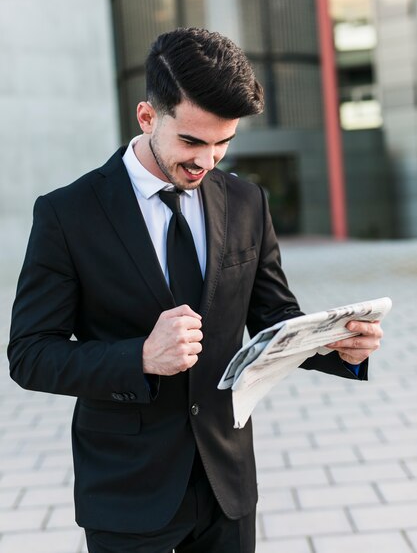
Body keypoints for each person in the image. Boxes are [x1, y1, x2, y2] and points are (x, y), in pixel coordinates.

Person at [8, 28, 382, 553]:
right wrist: (138, 357)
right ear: (146, 117)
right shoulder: (67, 214)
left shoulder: (247, 202)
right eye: (191, 141)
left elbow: (274, 317)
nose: (207, 161)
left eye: (223, 142)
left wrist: (333, 343)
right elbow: (29, 355)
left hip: (228, 488)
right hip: (128, 495)